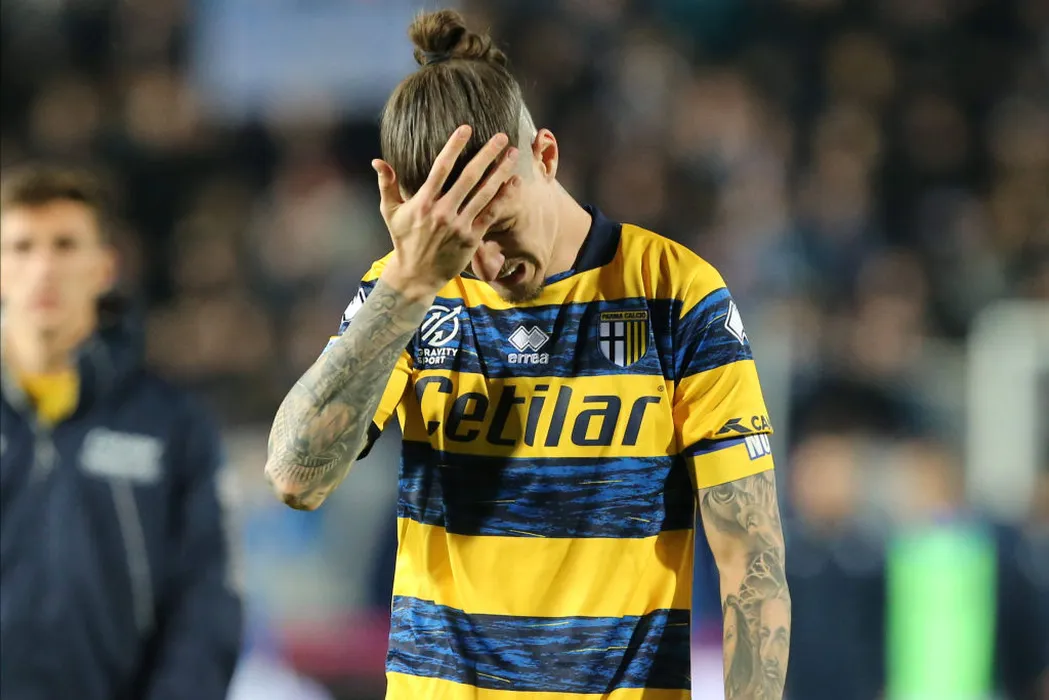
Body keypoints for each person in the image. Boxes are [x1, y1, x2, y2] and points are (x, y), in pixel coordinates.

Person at [265, 9, 790, 700]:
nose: (485, 263)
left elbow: (750, 559)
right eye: (459, 242)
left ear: (545, 155)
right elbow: (296, 479)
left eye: (500, 226)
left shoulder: (674, 293)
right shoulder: (407, 294)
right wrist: (410, 279)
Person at [0, 166, 243, 700]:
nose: (43, 267)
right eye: (21, 247)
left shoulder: (172, 424)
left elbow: (207, 597)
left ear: (104, 267)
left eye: (65, 245)